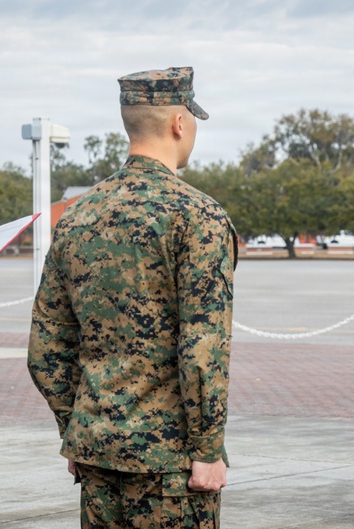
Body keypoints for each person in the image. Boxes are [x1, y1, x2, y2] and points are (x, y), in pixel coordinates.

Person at [27, 67, 236, 528]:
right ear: (180, 123)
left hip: (96, 451)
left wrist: (76, 430)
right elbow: (203, 348)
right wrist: (207, 449)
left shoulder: (78, 216)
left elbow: (46, 348)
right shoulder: (197, 216)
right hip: (170, 466)